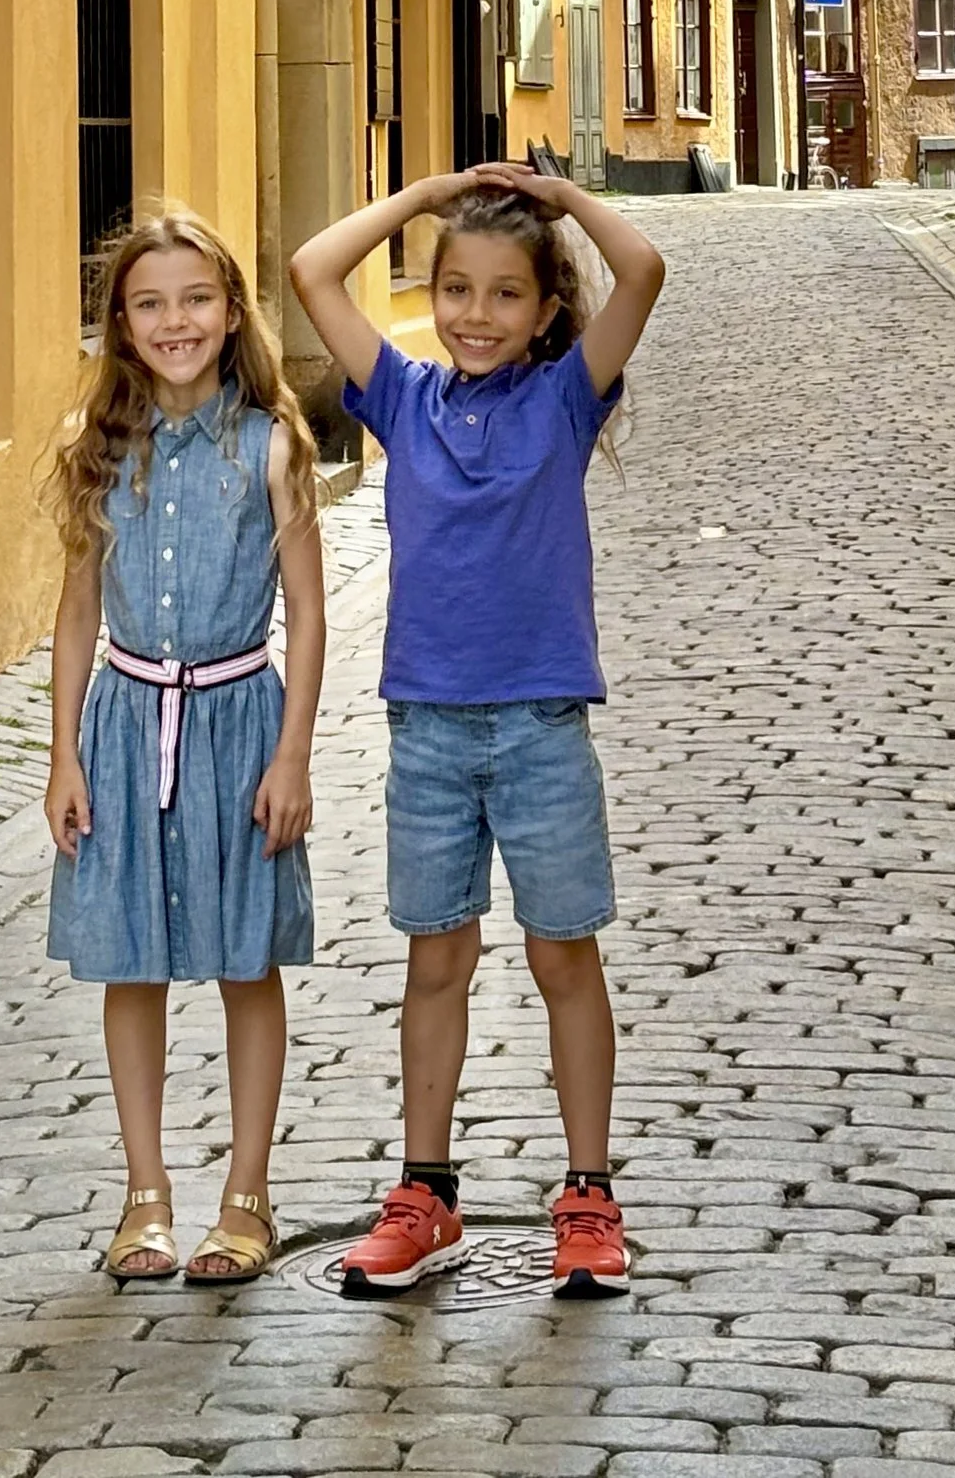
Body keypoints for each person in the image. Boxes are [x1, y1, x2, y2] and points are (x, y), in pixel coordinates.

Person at [288, 161, 665, 1301]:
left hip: (543, 723)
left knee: (563, 956)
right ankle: (425, 1192)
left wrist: (559, 204)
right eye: (455, 289)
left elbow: (643, 268)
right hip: (431, 730)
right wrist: (426, 195)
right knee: (436, 960)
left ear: (546, 310)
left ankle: (589, 1195)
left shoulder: (563, 399)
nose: (476, 314)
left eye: (506, 294)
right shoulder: (401, 397)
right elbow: (310, 269)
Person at [44, 209, 325, 1290]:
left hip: (239, 720)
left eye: (196, 299)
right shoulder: (97, 452)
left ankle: (246, 1194)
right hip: (125, 727)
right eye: (149, 303)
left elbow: (308, 608)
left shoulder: (270, 445)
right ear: (119, 322)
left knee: (245, 960)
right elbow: (75, 613)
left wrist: (292, 754)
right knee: (133, 960)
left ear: (231, 310)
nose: (175, 322)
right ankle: (144, 1195)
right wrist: (63, 755)